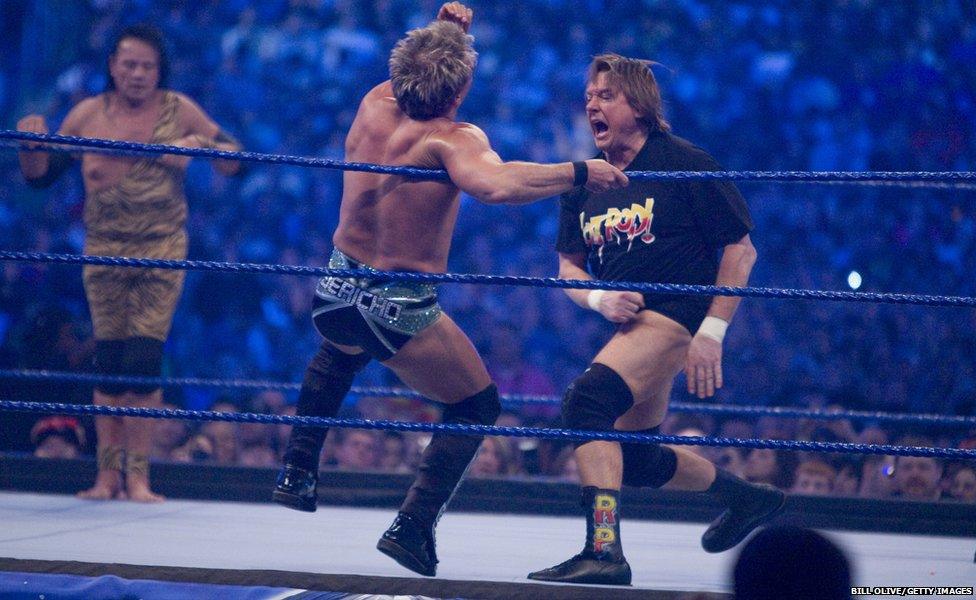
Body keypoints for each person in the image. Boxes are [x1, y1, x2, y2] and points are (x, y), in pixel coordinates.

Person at [270, 2, 627, 579]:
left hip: (335, 286)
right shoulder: (452, 139)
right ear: (459, 92)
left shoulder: (373, 102)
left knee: (341, 349)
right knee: (476, 403)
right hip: (397, 303)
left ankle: (297, 469)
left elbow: (417, 70)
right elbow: (499, 184)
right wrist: (580, 171)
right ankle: (412, 526)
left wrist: (447, 36)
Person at [528, 54, 784, 586]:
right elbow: (568, 267)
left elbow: (740, 250)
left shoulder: (683, 162)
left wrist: (712, 332)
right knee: (638, 460)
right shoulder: (586, 180)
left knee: (586, 403)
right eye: (588, 97)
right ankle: (748, 499)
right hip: (631, 323)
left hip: (675, 313)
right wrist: (598, 300)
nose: (591, 105)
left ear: (639, 107)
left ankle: (603, 551)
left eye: (605, 96)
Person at [17, 24, 241, 502]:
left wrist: (199, 147)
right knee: (110, 367)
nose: (138, 74)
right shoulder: (87, 115)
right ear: (113, 66)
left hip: (160, 252)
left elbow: (237, 161)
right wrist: (30, 145)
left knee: (141, 362)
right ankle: (106, 477)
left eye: (147, 66)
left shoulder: (179, 110)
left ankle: (138, 477)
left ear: (160, 71)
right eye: (129, 64)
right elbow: (39, 179)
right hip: (103, 253)